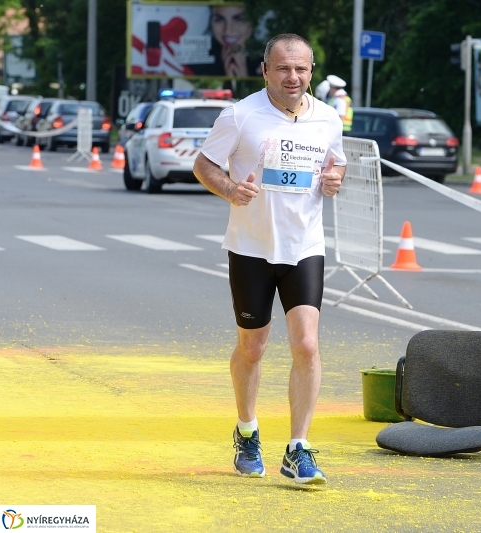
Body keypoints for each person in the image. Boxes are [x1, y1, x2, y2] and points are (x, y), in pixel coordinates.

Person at [193, 33, 346, 484]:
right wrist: (229, 189)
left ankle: (298, 448)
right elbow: (204, 165)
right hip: (251, 249)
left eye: (300, 69)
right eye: (283, 68)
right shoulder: (240, 115)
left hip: (304, 247)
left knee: (307, 345)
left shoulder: (329, 118)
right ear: (265, 70)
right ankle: (247, 430)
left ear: (311, 71)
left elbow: (334, 163)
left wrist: (335, 177)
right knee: (252, 347)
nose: (292, 77)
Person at [188, 5, 259, 77]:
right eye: (219, 19)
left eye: (239, 19)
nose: (228, 31)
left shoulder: (266, 61)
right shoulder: (196, 64)